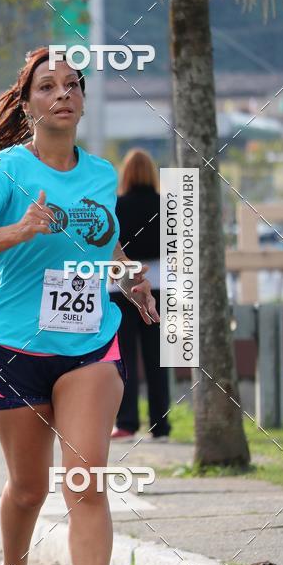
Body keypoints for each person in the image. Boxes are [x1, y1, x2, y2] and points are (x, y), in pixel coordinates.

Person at [0, 47, 159, 565]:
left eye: (72, 85)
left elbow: (103, 235)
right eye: (47, 86)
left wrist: (127, 275)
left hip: (89, 344)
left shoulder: (99, 173)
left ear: (83, 102)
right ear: (29, 102)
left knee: (85, 481)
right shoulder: (6, 172)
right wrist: (20, 229)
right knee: (30, 487)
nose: (62, 93)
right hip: (15, 348)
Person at [110, 149, 170, 440]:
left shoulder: (115, 205)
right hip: (159, 284)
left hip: (121, 286)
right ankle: (161, 424)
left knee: (124, 356)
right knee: (158, 358)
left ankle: (126, 422)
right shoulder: (166, 205)